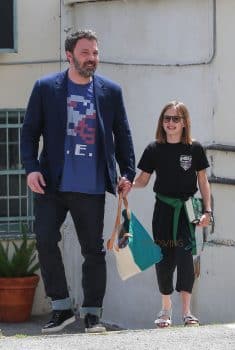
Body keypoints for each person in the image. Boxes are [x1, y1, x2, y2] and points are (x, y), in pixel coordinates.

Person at [20, 29, 135, 333]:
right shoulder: (46, 88)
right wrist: (31, 169)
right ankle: (61, 307)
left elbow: (122, 134)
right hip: (51, 184)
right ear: (69, 55)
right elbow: (29, 132)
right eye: (85, 53)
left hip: (92, 185)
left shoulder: (111, 91)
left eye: (95, 53)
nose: (92, 59)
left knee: (93, 251)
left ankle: (93, 313)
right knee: (44, 240)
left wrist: (128, 172)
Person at [133, 100, 212, 327]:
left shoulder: (194, 148)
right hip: (163, 209)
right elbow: (143, 180)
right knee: (163, 256)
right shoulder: (154, 149)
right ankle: (166, 309)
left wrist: (208, 211)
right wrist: (128, 185)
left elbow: (203, 181)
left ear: (184, 122)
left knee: (185, 256)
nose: (170, 123)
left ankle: (187, 312)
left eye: (175, 118)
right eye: (166, 118)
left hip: (188, 209)